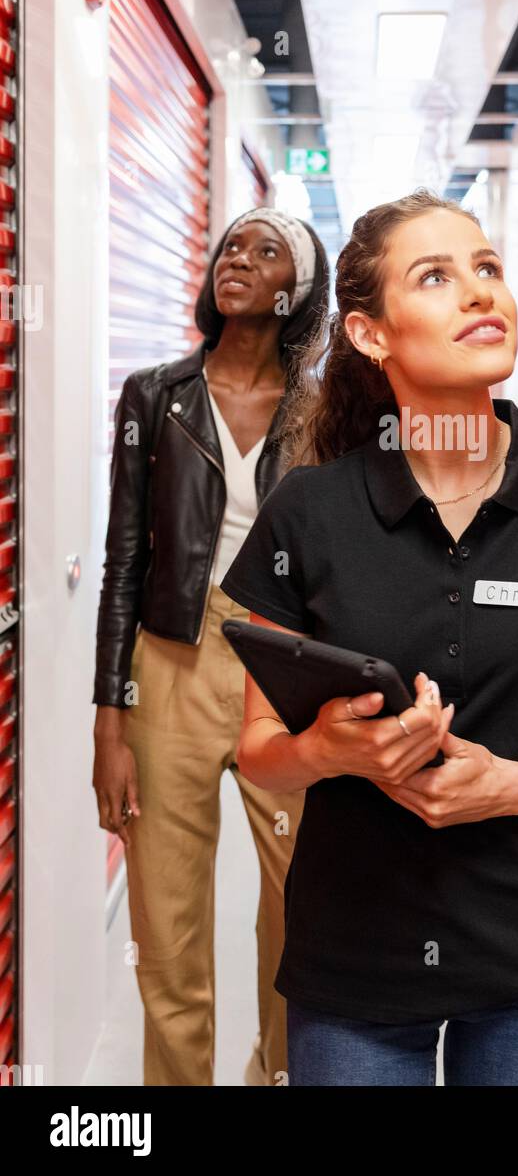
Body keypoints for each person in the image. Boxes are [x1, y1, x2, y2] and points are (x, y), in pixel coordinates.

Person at [217, 187, 518, 1087]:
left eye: (487, 269)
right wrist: (330, 748)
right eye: (436, 277)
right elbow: (260, 755)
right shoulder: (309, 513)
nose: (481, 293)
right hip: (356, 959)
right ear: (370, 334)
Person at [91, 207, 330, 1086]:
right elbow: (126, 559)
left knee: (297, 917)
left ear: (294, 288)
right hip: (172, 668)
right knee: (169, 933)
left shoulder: (328, 408)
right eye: (232, 244)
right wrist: (110, 718)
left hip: (286, 675)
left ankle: (275, 1074)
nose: (239, 258)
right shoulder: (154, 394)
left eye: (265, 251)